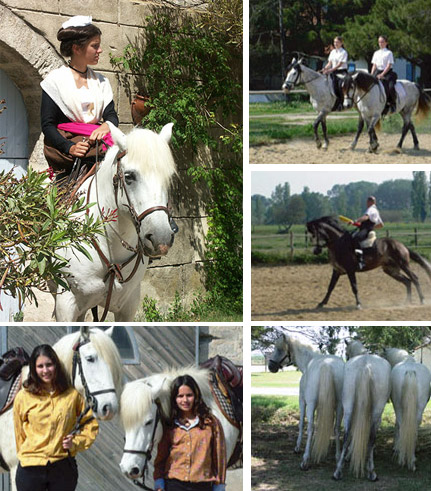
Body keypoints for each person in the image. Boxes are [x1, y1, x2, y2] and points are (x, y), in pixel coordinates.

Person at [41, 15, 119, 180]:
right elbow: (48, 125)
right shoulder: (55, 81)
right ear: (77, 48)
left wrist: (107, 126)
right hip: (70, 157)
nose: (100, 50)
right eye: (95, 46)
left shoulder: (101, 81)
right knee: (62, 200)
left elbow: (111, 115)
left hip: (99, 148)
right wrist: (70, 147)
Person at [13, 344, 99, 491]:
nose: (45, 370)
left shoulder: (72, 396)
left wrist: (76, 443)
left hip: (62, 468)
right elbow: (19, 434)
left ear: (56, 365)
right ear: (34, 368)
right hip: (30, 469)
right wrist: (28, 455)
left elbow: (91, 424)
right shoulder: (23, 397)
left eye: (49, 365)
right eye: (40, 366)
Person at [154, 375, 227, 491]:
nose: (185, 400)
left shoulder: (211, 423)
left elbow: (219, 456)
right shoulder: (169, 425)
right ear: (174, 399)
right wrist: (158, 481)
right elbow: (161, 458)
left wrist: (219, 484)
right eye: (180, 396)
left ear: (196, 396)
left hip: (202, 485)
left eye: (189, 395)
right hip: (174, 485)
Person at [350, 196, 384, 269]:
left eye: (367, 202)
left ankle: (360, 260)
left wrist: (355, 221)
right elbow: (381, 225)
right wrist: (372, 227)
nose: (366, 203)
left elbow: (365, 218)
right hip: (368, 229)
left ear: (371, 202)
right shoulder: (376, 211)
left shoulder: (370, 209)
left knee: (356, 238)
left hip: (365, 230)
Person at [370, 35, 397, 115]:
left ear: (386, 43)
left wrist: (382, 74)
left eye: (382, 42)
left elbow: (389, 65)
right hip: (377, 72)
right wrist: (371, 74)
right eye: (379, 42)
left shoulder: (389, 53)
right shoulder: (376, 53)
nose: (380, 43)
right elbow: (374, 65)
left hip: (387, 72)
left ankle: (392, 103)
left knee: (390, 87)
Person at [321, 36, 348, 111]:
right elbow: (330, 63)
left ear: (341, 43)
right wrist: (325, 68)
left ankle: (341, 103)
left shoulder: (344, 52)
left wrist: (330, 70)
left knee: (339, 86)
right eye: (334, 42)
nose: (335, 43)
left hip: (341, 71)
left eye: (337, 42)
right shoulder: (332, 52)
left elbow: (339, 64)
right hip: (333, 71)